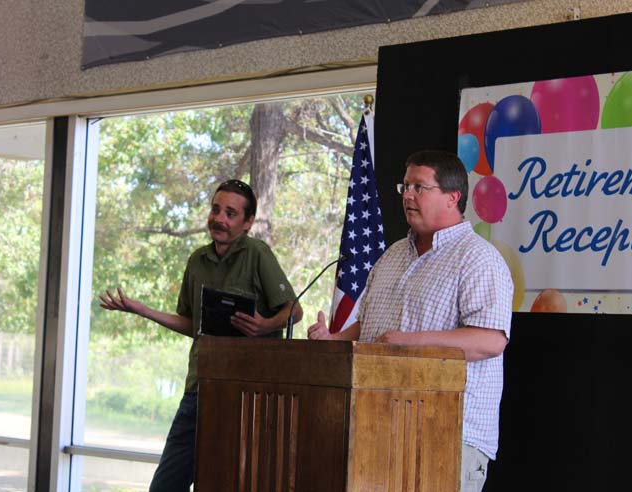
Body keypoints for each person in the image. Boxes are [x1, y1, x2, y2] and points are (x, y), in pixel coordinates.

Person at [308, 150, 513, 492]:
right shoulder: (391, 256)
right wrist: (336, 341)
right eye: (405, 186)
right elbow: (372, 326)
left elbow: (490, 341)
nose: (407, 195)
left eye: (419, 187)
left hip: (446, 434)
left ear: (452, 197)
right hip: (378, 425)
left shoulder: (478, 258)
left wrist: (410, 342)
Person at [99, 179, 302, 492]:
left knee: (230, 482)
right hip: (200, 388)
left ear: (247, 223)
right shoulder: (196, 261)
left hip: (248, 396)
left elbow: (295, 311)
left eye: (230, 214)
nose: (219, 218)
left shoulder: (258, 254)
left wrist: (265, 325)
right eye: (216, 209)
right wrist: (143, 310)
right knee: (165, 486)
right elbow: (190, 324)